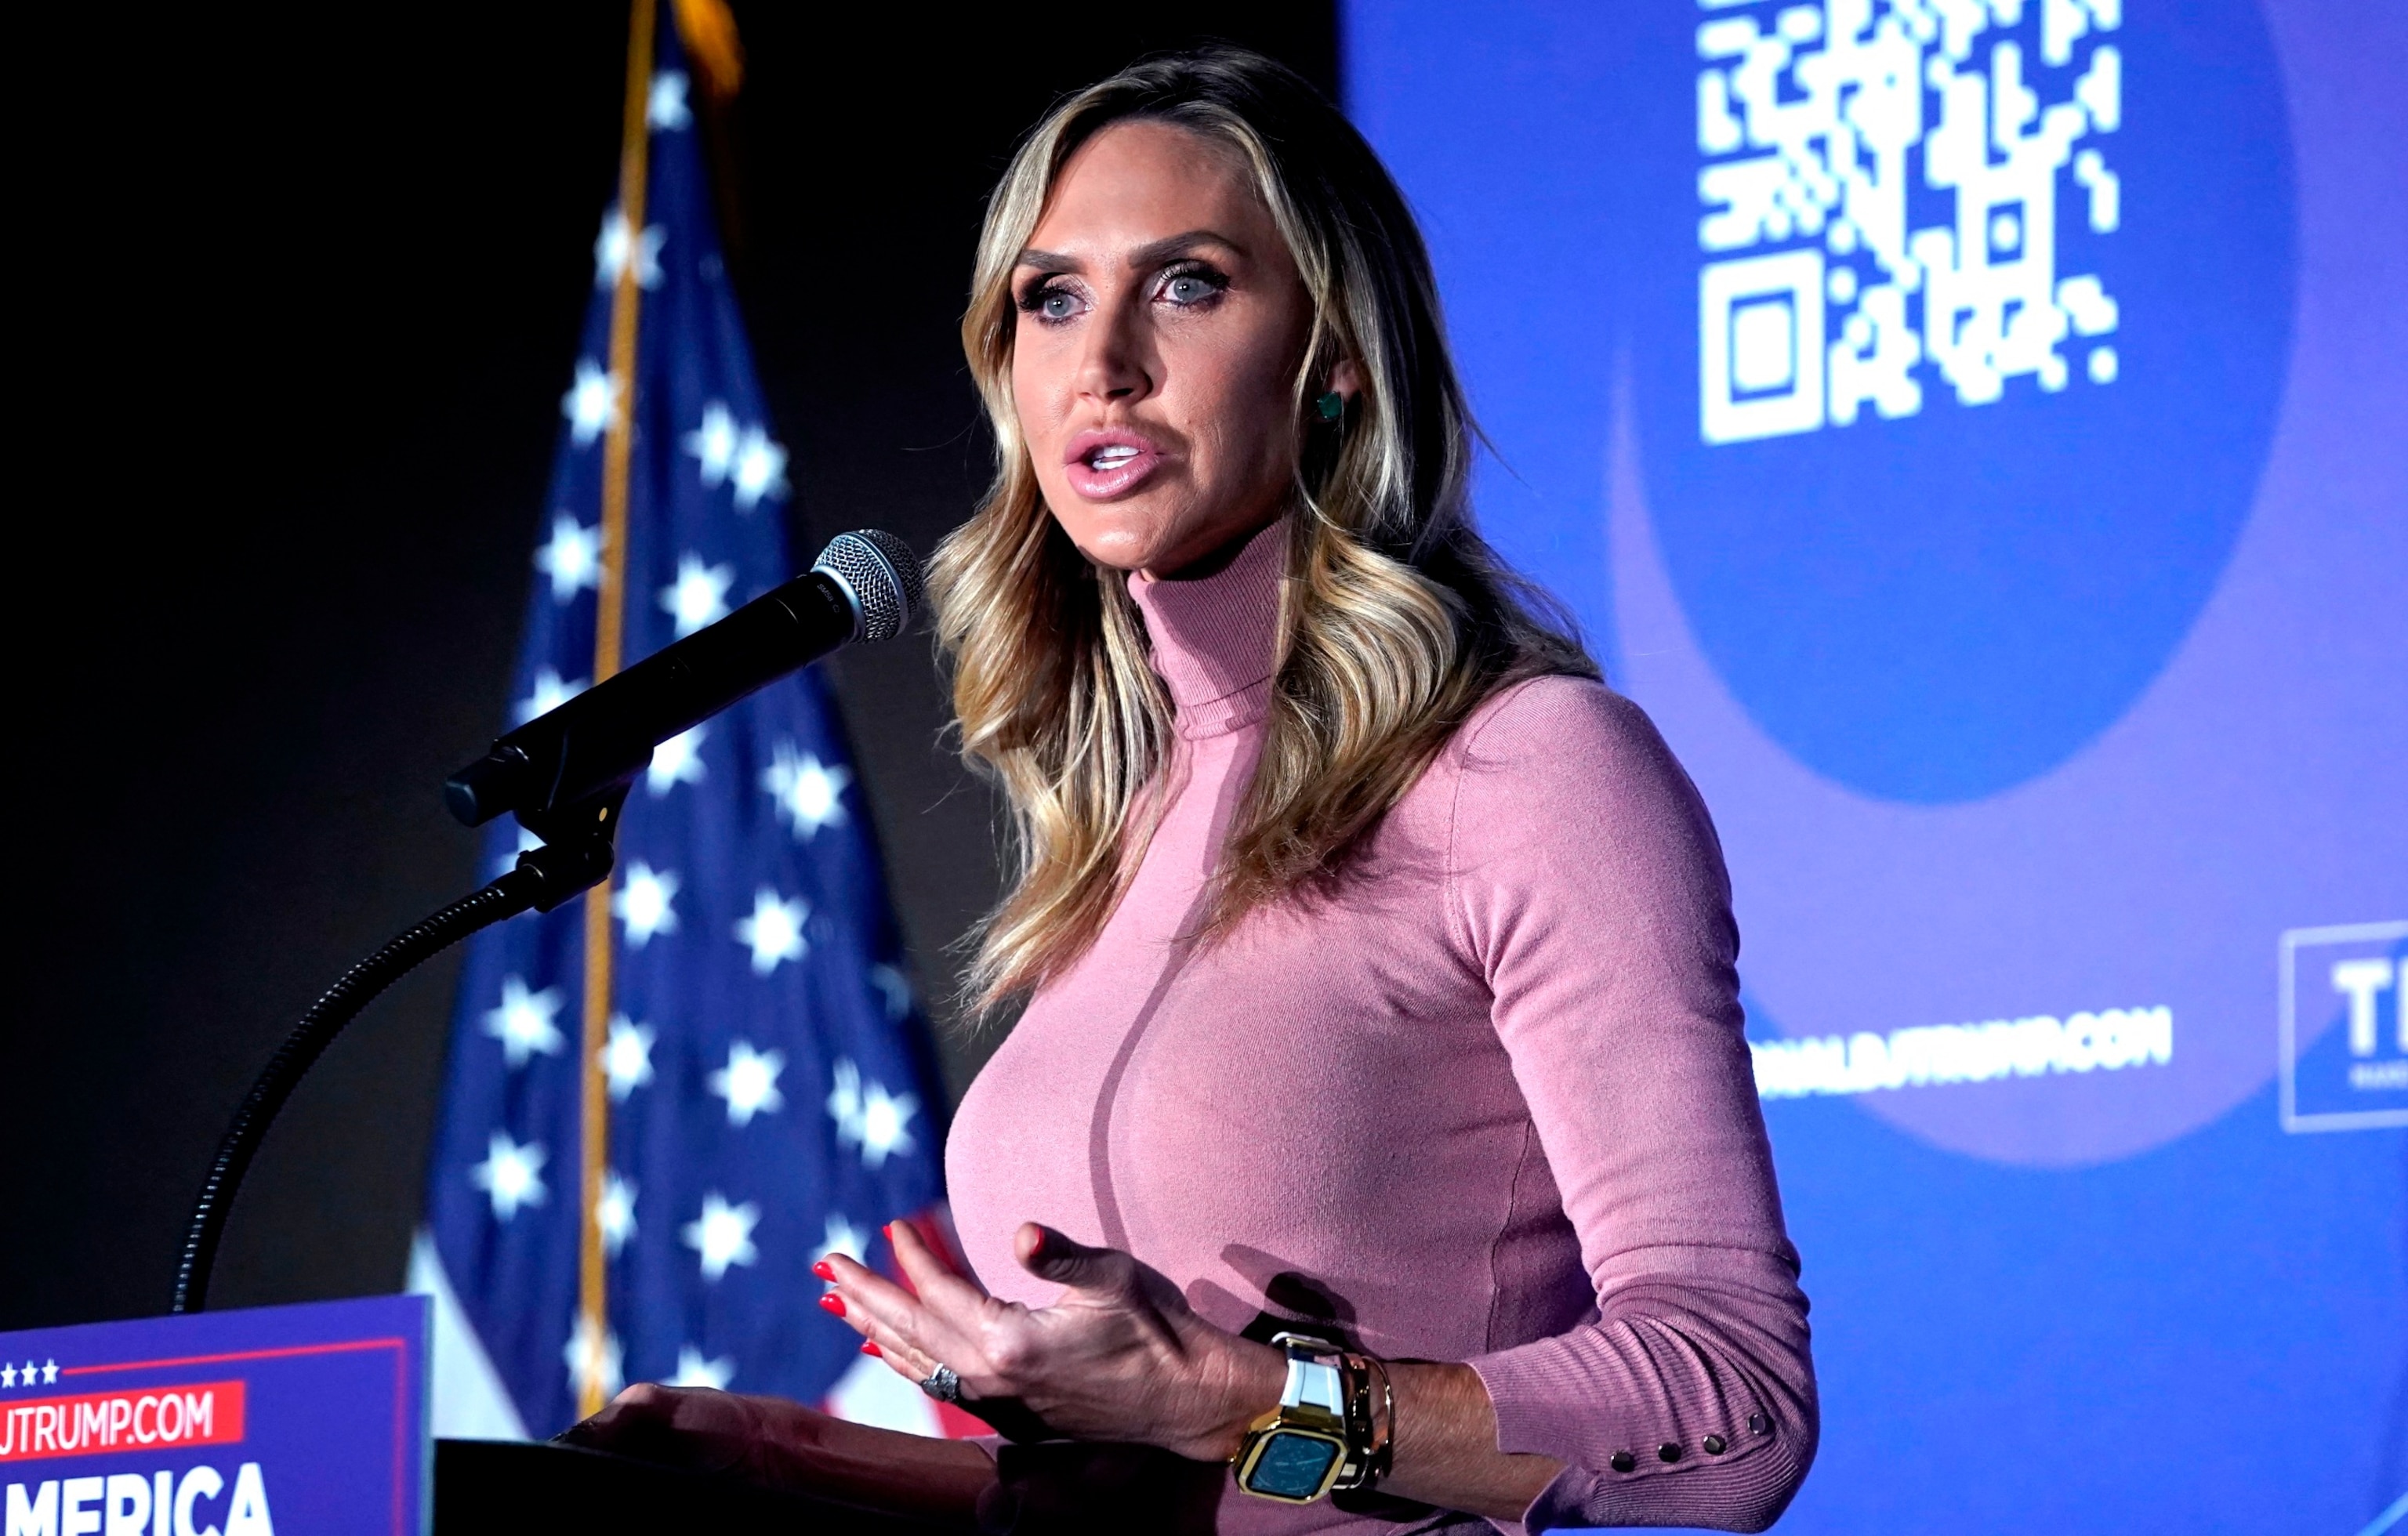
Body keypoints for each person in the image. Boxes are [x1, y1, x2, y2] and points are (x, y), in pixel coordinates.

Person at [566, 47, 1816, 1534]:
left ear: (1336, 354)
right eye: (1051, 300)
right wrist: (786, 1461)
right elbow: (1191, 1495)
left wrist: (1227, 1393)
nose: (1102, 361)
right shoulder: (1116, 834)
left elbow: (1733, 1414)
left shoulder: (1526, 769)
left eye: (1188, 285)